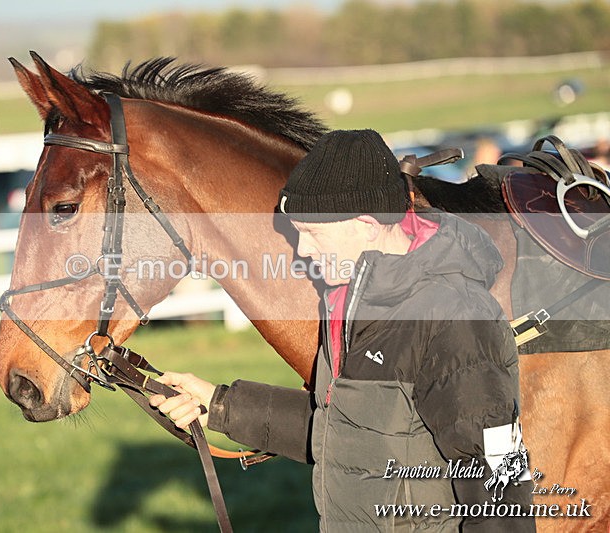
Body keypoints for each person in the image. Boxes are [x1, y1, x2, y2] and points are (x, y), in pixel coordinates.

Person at [150, 130, 535, 531]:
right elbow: (341, 426)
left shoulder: (455, 315)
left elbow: (500, 477)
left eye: (313, 233)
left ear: (367, 224)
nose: (302, 250)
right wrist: (218, 404)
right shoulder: (346, 302)